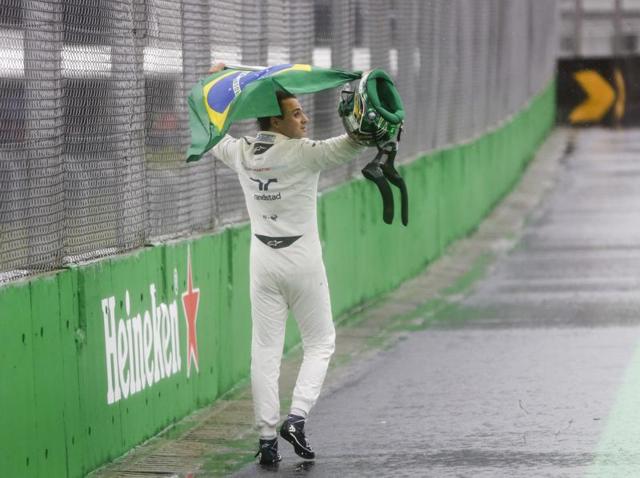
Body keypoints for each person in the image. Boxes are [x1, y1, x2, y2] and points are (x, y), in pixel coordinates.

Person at [207, 63, 366, 465]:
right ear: (276, 120)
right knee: (320, 341)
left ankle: (265, 439)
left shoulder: (242, 152)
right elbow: (353, 143)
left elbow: (210, 132)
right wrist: (372, 117)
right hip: (302, 258)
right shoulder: (304, 153)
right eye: (296, 113)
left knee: (264, 350)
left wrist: (212, 82)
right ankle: (295, 418)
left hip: (262, 258)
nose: (305, 118)